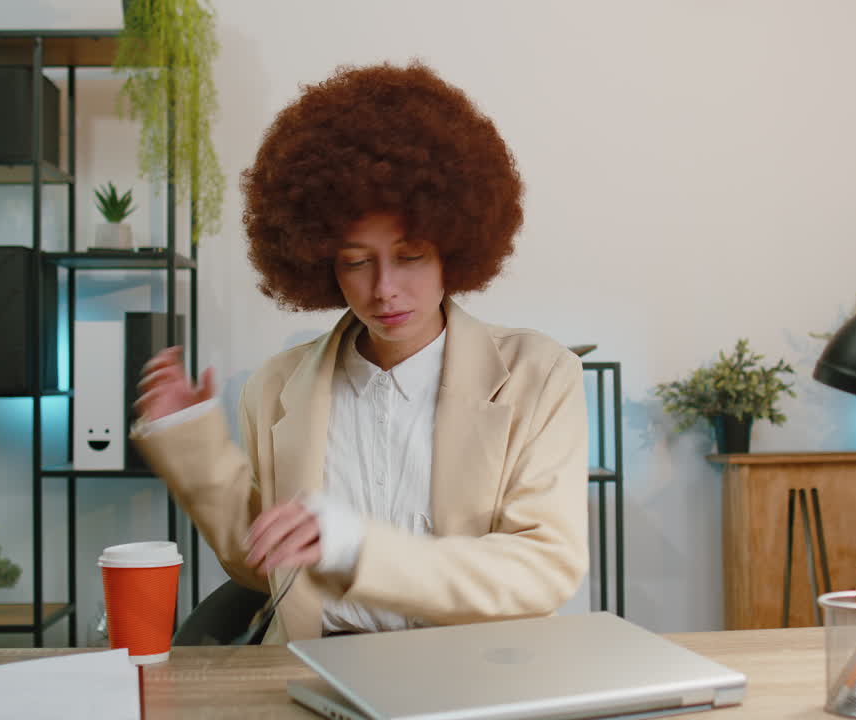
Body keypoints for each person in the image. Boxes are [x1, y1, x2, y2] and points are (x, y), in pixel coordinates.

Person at [132, 61, 588, 644]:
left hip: (476, 667)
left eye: (411, 255)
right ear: (320, 260)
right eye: (355, 261)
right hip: (312, 668)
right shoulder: (275, 387)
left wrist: (354, 547)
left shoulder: (538, 374)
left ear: (453, 248)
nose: (384, 288)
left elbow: (544, 569)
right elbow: (263, 566)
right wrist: (191, 447)